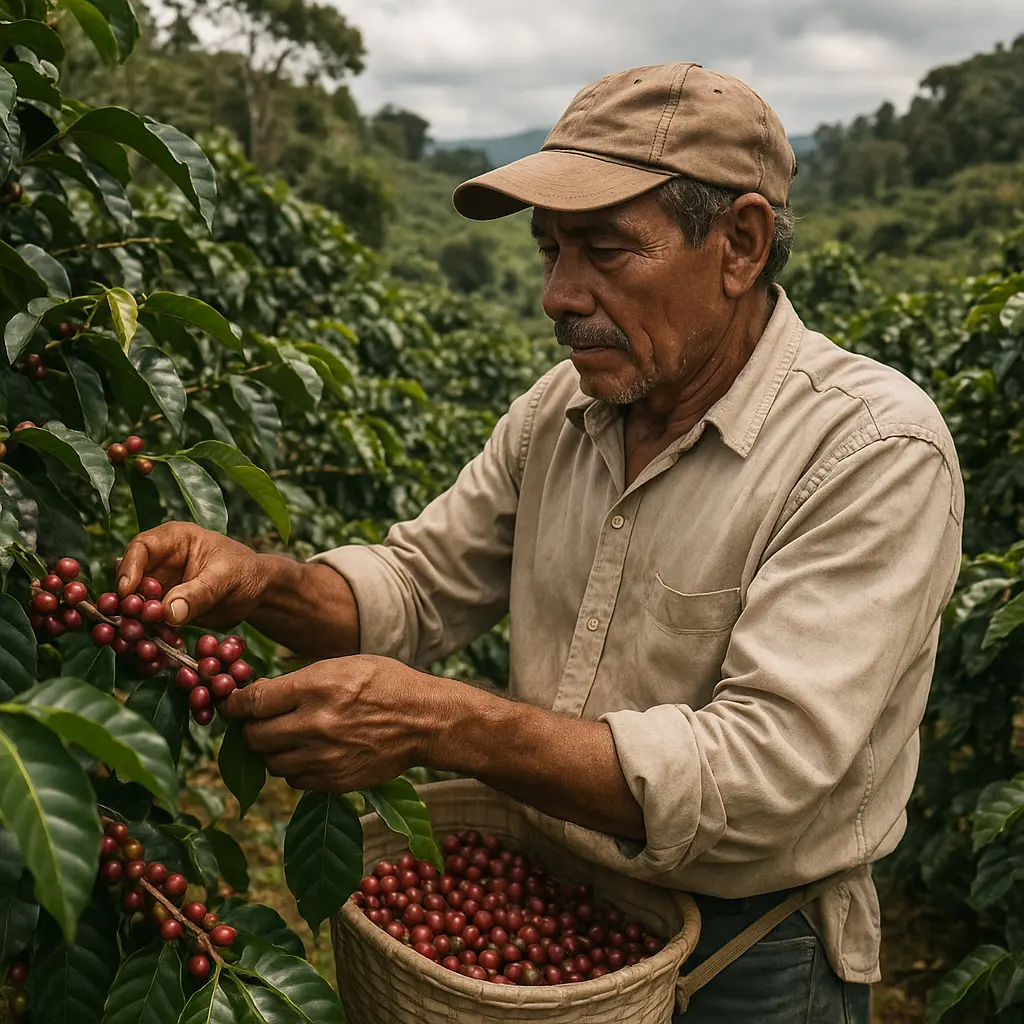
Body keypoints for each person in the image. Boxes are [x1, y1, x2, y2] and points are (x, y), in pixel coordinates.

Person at [117, 63, 963, 1023]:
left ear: (741, 244)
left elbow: (760, 776)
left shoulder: (870, 451)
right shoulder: (561, 412)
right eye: (551, 251)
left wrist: (442, 723)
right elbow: (418, 586)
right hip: (550, 900)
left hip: (750, 959)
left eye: (605, 250)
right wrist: (261, 582)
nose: (561, 295)